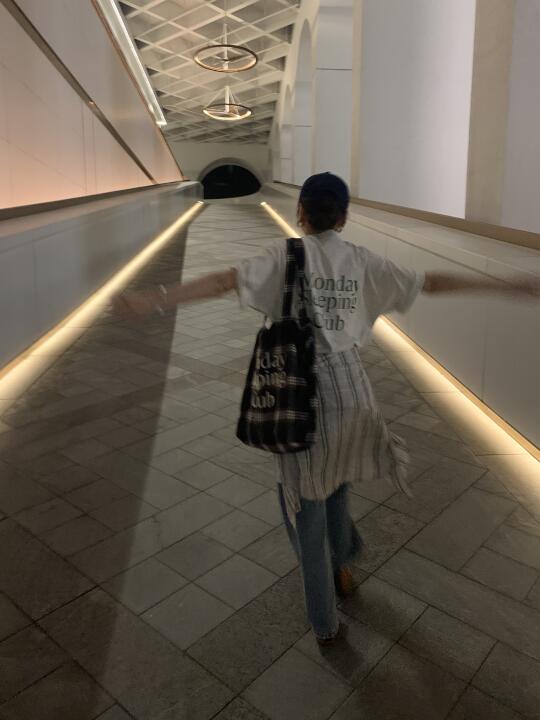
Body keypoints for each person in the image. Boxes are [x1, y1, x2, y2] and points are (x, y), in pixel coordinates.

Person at [113, 172, 539, 645]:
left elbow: (221, 282)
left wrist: (153, 300)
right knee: (337, 484)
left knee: (302, 507)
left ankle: (325, 621)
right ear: (343, 217)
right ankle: (344, 565)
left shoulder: (283, 256)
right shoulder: (361, 260)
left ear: (300, 212)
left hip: (302, 398)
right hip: (354, 394)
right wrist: (510, 286)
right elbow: (431, 283)